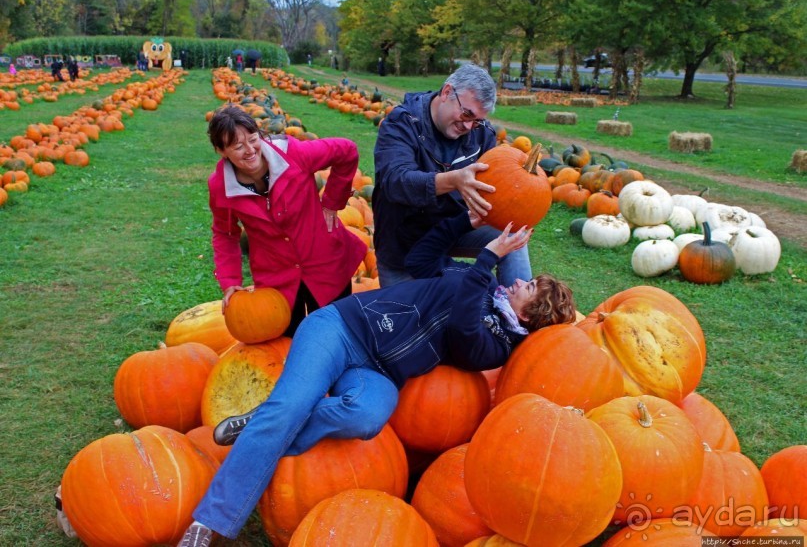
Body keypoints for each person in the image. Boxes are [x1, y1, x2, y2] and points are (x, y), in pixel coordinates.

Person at [176, 210, 577, 546]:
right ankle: (208, 524)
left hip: (379, 371)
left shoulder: (495, 345)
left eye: (530, 288)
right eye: (529, 279)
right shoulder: (484, 282)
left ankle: (263, 422)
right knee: (289, 407)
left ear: (528, 315)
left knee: (366, 418)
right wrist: (460, 221)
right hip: (341, 327)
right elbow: (422, 259)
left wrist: (487, 257)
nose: (521, 281)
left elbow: (463, 331)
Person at [206, 106, 367, 337]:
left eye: (253, 139)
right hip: (276, 276)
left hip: (324, 260)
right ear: (222, 151)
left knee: (337, 335)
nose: (250, 150)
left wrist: (333, 201)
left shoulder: (295, 153)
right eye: (238, 146)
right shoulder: (220, 186)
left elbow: (347, 151)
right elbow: (224, 233)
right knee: (287, 342)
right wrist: (229, 280)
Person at [372, 63, 532, 288]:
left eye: (477, 120)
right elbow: (395, 182)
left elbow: (497, 184)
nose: (468, 125)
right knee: (403, 315)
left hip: (455, 228)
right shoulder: (402, 124)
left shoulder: (481, 134)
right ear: (447, 92)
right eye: (466, 113)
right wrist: (453, 180)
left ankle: (518, 314)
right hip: (404, 241)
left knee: (513, 239)